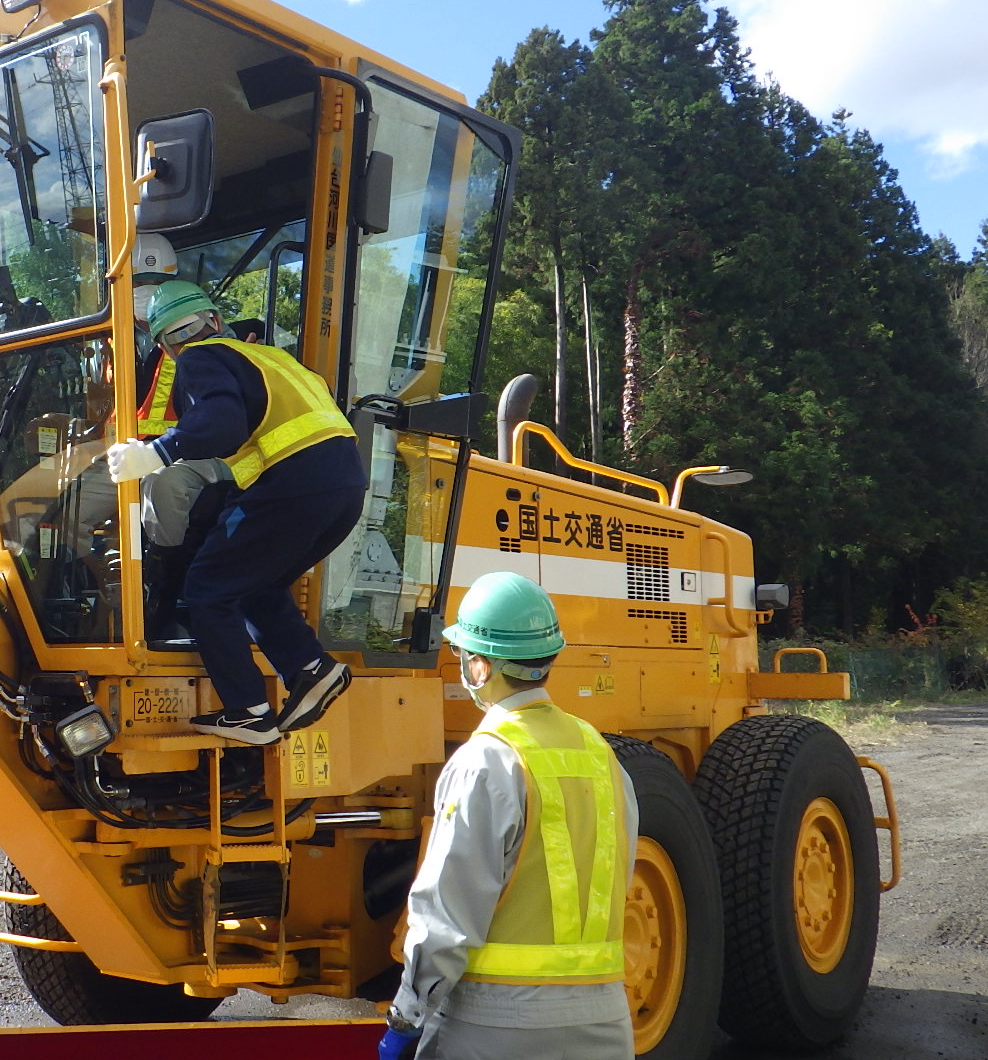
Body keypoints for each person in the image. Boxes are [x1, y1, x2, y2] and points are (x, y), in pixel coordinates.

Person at [379, 571, 638, 1060]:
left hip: (497, 1022)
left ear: (481, 668)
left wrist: (406, 1019)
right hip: (605, 1019)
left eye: (464, 656)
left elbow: (446, 915)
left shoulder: (487, 760)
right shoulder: (601, 755)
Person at [107, 279, 362, 745]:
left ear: (166, 347)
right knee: (254, 583)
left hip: (293, 485)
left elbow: (221, 424)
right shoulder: (274, 359)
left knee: (206, 588)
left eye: (173, 341)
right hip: (343, 488)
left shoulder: (200, 357)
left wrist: (159, 453)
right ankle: (311, 669)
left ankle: (248, 711)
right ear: (216, 319)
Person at [127, 236, 233, 640]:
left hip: (206, 452)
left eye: (153, 281)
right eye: (137, 282)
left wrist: (161, 451)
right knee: (63, 495)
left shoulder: (206, 335)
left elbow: (221, 421)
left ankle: (162, 591)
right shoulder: (119, 346)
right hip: (139, 453)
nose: (143, 293)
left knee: (164, 485)